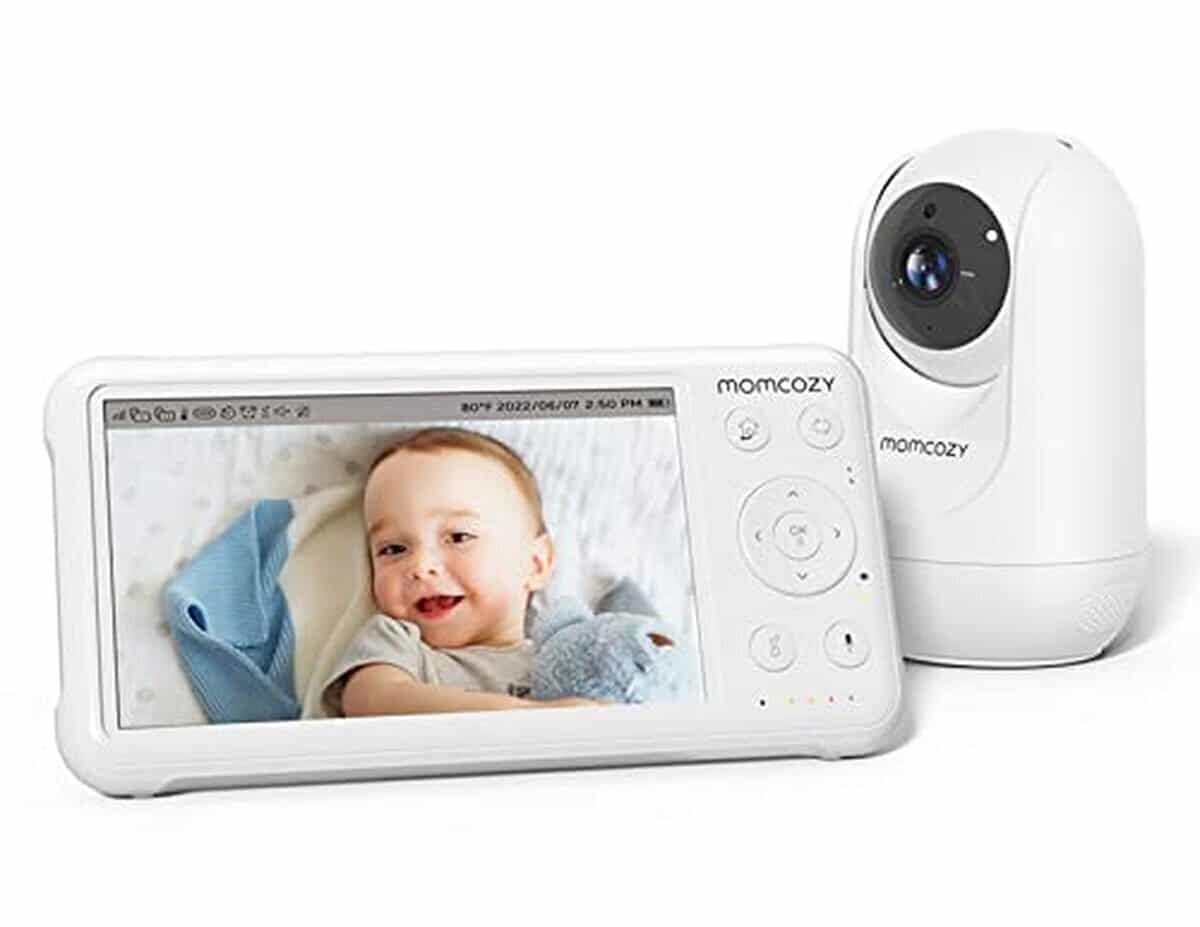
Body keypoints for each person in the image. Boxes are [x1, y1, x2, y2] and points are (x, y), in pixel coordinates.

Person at [321, 427, 597, 716]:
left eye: (458, 537)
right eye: (393, 549)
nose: (421, 567)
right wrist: (529, 715)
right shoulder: (395, 643)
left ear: (535, 563)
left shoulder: (565, 653)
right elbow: (372, 701)